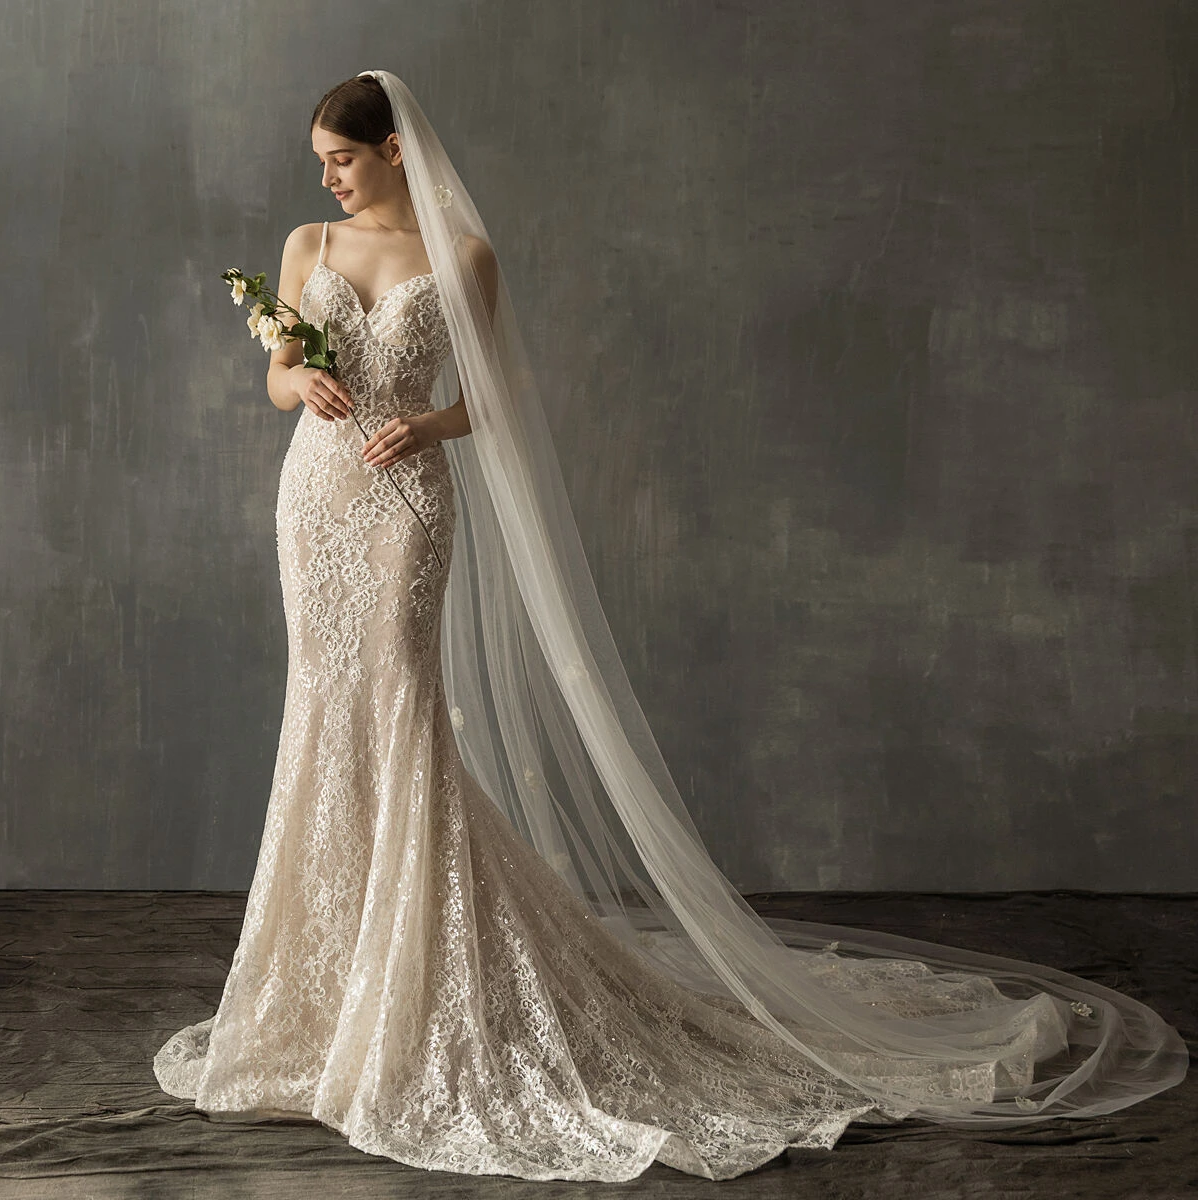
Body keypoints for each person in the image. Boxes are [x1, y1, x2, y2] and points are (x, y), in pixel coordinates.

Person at [153, 70, 1188, 1182]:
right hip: (314, 501)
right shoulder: (307, 243)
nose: (325, 176)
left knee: (400, 711)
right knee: (321, 709)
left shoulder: (465, 258)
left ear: (396, 149)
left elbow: (497, 403)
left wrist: (422, 421)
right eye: (319, 158)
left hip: (405, 508)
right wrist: (296, 384)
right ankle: (320, 983)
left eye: (342, 157)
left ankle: (420, 980)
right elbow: (277, 375)